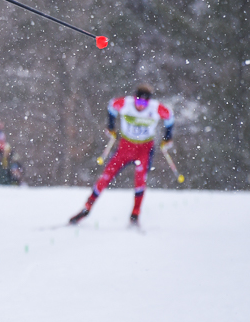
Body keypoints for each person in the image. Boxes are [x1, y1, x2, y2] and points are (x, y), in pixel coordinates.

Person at [69, 84, 174, 225]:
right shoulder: (126, 103)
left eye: (145, 103)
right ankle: (87, 208)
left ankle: (135, 214)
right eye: (139, 101)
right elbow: (112, 106)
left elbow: (170, 117)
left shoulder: (155, 108)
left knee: (140, 179)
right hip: (125, 148)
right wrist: (110, 126)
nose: (141, 106)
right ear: (134, 99)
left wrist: (167, 137)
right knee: (106, 176)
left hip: (144, 149)